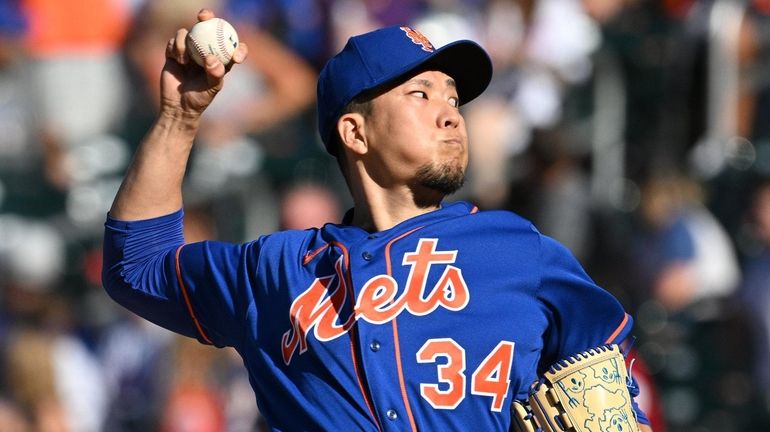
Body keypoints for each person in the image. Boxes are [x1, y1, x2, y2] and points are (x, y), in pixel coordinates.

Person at [102, 9, 653, 431]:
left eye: (453, 99)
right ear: (355, 134)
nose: (449, 114)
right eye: (420, 93)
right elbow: (137, 264)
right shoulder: (276, 270)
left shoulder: (518, 250)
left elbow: (607, 374)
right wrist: (180, 116)